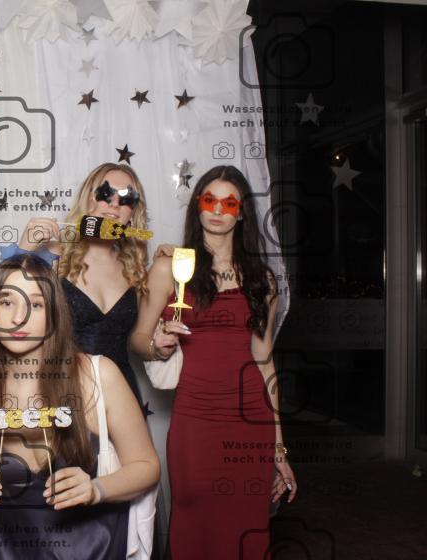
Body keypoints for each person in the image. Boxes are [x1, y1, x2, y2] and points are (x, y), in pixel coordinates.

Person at [14, 162, 185, 557]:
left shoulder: (138, 270)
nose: (113, 204)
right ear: (88, 197)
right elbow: (6, 313)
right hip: (63, 394)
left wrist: (157, 346)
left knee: (124, 506)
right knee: (60, 511)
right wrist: (23, 249)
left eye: (126, 199)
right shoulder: (53, 256)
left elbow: (138, 341)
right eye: (105, 193)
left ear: (134, 212)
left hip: (121, 398)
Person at [0, 254, 161, 560]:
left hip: (90, 550)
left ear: (54, 313)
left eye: (36, 304)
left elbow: (147, 466)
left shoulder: (98, 375)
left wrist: (96, 489)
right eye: (7, 302)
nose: (19, 317)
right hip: (3, 549)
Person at [141, 165, 297, 559]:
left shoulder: (262, 280)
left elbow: (264, 362)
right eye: (210, 200)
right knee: (193, 523)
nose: (217, 210)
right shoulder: (171, 268)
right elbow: (138, 339)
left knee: (245, 525)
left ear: (241, 213)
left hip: (250, 422)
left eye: (229, 203)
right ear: (197, 205)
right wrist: (157, 345)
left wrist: (280, 450)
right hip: (195, 420)